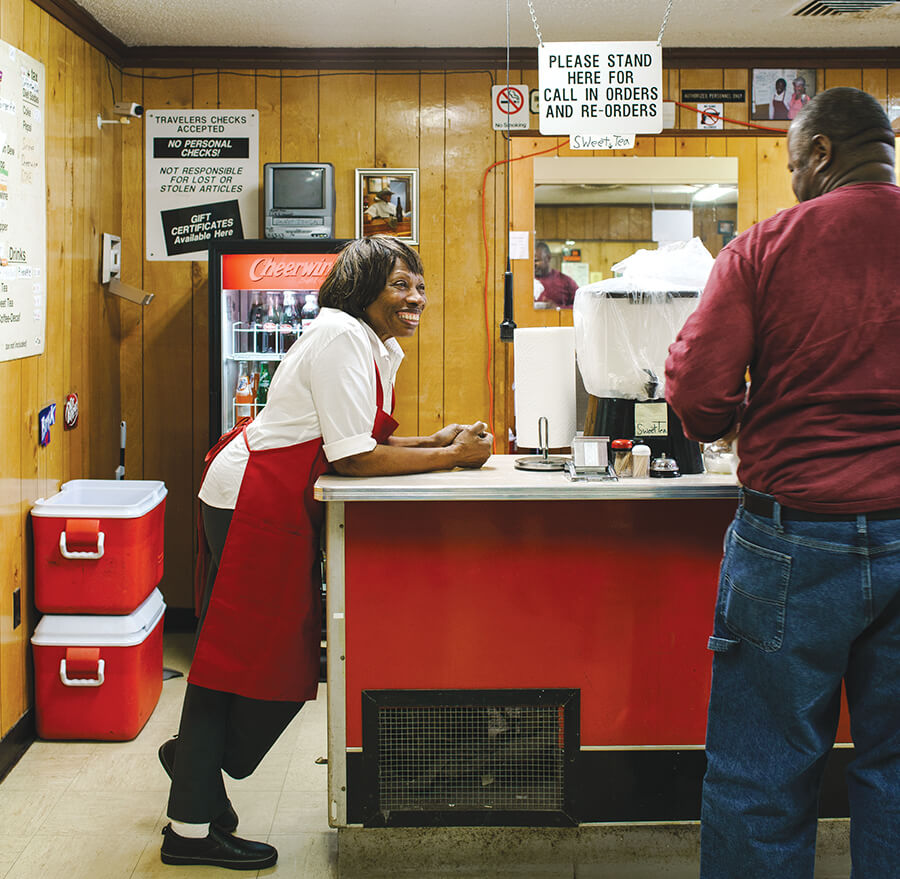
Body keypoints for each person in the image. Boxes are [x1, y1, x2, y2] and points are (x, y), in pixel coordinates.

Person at [159, 236, 493, 870]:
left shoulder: (363, 340)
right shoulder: (341, 337)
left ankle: (193, 766)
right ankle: (189, 829)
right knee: (233, 661)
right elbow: (353, 457)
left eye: (419, 285)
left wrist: (436, 439)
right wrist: (450, 457)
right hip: (252, 496)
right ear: (362, 288)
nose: (415, 297)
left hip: (273, 496)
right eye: (400, 284)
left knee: (272, 658)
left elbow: (349, 436)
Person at [665, 87, 900, 878]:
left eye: (796, 161)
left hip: (792, 537)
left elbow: (697, 397)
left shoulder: (766, 246)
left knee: (762, 771)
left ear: (824, 152)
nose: (794, 178)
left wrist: (735, 413)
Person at [533, 241, 578, 308]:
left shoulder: (565, 281)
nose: (533, 264)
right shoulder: (526, 282)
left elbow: (581, 306)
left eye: (536, 260)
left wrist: (558, 308)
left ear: (548, 258)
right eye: (531, 261)